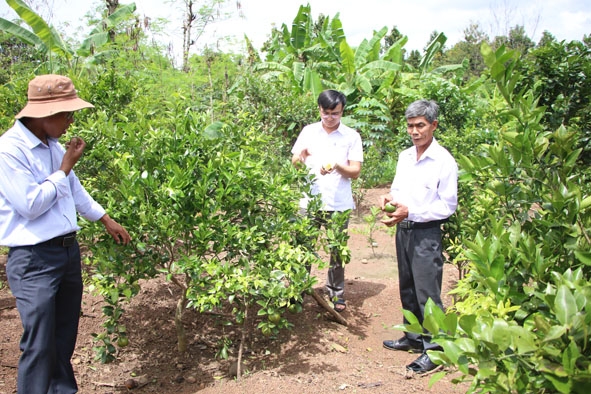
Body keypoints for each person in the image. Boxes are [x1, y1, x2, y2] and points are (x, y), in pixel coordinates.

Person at [0, 74, 131, 394]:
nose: (71, 121)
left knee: (62, 340)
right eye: (66, 114)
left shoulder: (53, 146)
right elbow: (30, 205)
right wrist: (64, 168)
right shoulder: (9, 150)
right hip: (34, 259)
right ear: (43, 113)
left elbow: (75, 192)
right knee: (39, 343)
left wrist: (105, 219)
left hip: (67, 253)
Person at [379, 99, 458, 373]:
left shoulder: (444, 161)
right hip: (404, 229)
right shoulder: (405, 156)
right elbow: (398, 189)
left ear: (433, 125)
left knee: (428, 293)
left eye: (420, 125)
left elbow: (447, 206)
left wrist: (411, 211)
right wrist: (390, 199)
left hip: (426, 232)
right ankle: (413, 337)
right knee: (408, 286)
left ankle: (435, 351)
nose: (414, 131)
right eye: (410, 126)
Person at [291, 89, 363, 312]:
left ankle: (335, 293)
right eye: (326, 113)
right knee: (303, 247)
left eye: (335, 113)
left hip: (338, 203)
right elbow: (295, 161)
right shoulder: (308, 132)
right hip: (309, 201)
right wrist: (299, 160)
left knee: (337, 250)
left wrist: (337, 165)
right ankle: (297, 291)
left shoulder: (351, 136)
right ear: (319, 110)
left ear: (342, 111)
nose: (330, 117)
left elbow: (355, 171)